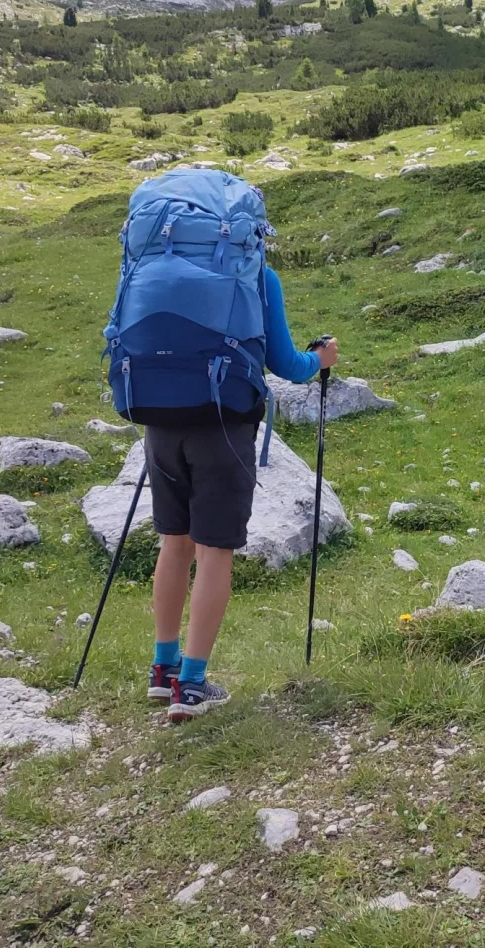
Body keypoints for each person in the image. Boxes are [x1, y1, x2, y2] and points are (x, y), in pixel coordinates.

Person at [141, 294, 337, 722]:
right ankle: (191, 685)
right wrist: (319, 360)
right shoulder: (254, 275)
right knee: (214, 552)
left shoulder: (156, 260)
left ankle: (163, 668)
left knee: (174, 543)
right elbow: (285, 363)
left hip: (160, 423)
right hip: (222, 429)